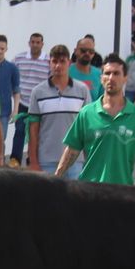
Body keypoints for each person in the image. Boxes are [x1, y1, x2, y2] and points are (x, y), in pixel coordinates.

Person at [55, 54, 135, 186]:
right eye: (107, 73)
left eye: (116, 73)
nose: (111, 78)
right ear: (101, 79)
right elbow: (72, 150)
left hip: (124, 192)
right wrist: (56, 178)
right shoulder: (87, 113)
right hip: (90, 191)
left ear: (125, 78)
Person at [27, 44, 92, 176]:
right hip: (47, 160)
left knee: (75, 197)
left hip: (75, 160)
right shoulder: (38, 92)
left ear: (69, 63)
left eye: (62, 61)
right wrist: (33, 161)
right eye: (54, 61)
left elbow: (87, 128)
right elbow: (33, 130)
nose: (58, 66)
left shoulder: (82, 90)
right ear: (49, 63)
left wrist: (89, 159)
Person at [10, 32, 49, 165]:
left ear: (42, 44)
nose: (35, 45)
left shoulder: (48, 60)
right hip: (23, 102)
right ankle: (15, 159)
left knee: (37, 132)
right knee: (19, 130)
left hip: (40, 104)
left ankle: (32, 159)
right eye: (33, 42)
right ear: (29, 43)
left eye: (38, 42)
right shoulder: (19, 58)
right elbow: (12, 75)